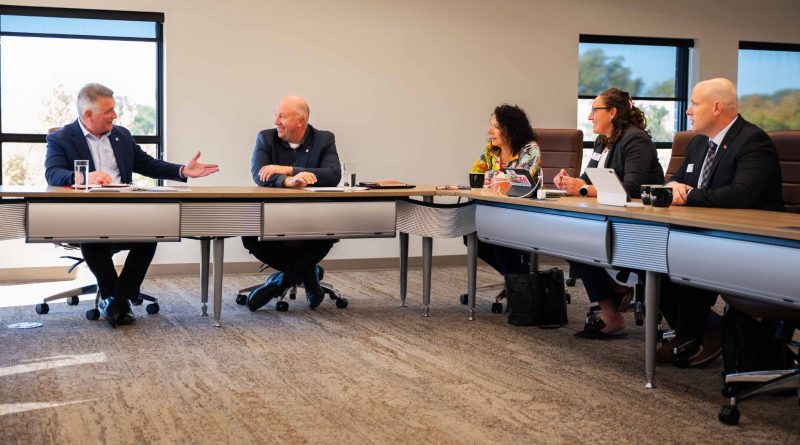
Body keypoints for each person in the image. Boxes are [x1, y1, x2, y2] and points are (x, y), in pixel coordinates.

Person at [44, 83, 219, 327]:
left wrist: (182, 170)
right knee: (92, 238)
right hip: (88, 213)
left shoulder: (121, 135)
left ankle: (117, 298)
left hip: (125, 210)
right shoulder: (61, 138)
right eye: (108, 111)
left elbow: (147, 164)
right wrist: (82, 177)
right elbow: (53, 173)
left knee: (153, 234)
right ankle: (116, 298)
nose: (115, 116)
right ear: (88, 115)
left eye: (114, 109)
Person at [659, 78, 784, 366]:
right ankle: (705, 330)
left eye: (694, 104)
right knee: (653, 261)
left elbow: (742, 194)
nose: (689, 111)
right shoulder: (699, 143)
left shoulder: (753, 140)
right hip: (706, 231)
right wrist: (674, 187)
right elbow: (674, 179)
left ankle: (693, 335)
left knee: (685, 261)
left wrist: (688, 195)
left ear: (717, 107)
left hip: (752, 239)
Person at [554, 88, 664, 339]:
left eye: (595, 110)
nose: (590, 117)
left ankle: (611, 305)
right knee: (572, 238)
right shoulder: (603, 141)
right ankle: (612, 297)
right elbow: (587, 179)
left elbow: (633, 188)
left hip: (641, 221)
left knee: (580, 239)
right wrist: (569, 182)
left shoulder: (635, 139)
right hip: (609, 215)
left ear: (612, 112)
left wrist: (582, 189)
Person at [242, 96, 341, 311]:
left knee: (330, 231)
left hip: (313, 218)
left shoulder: (324, 139)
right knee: (250, 236)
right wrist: (288, 182)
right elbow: (259, 175)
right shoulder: (266, 138)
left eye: (282, 116)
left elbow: (333, 175)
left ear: (301, 121)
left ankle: (280, 282)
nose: (276, 121)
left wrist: (286, 169)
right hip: (273, 215)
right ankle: (310, 275)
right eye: (275, 115)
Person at [468, 104, 541, 279]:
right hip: (494, 210)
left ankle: (517, 281)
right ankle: (517, 279)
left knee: (498, 235)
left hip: (523, 211)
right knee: (470, 234)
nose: (489, 131)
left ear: (510, 129)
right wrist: (492, 178)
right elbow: (476, 176)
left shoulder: (530, 149)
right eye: (490, 125)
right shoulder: (490, 149)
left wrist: (491, 176)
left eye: (495, 127)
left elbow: (518, 181)